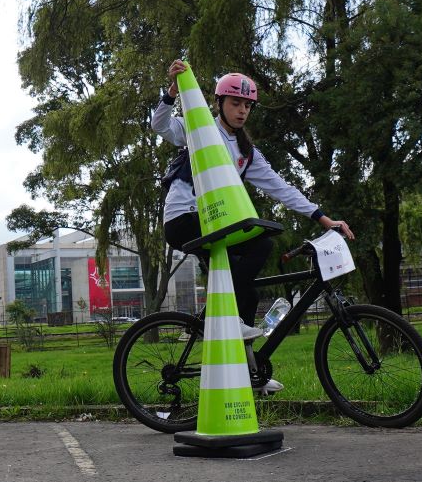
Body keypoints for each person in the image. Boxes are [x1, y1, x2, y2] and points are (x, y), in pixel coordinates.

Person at [151, 60, 353, 394]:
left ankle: (249, 372)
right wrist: (172, 93)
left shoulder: (247, 152)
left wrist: (322, 217)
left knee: (249, 285)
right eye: (235, 103)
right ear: (219, 104)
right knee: (257, 248)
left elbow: (281, 188)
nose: (242, 110)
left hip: (214, 222)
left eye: (247, 105)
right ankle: (229, 325)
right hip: (183, 218)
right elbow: (160, 126)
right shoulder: (200, 128)